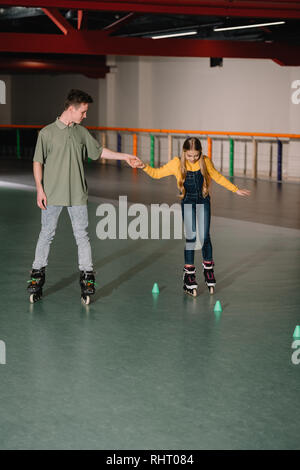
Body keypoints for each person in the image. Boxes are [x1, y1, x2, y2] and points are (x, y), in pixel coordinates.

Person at [27, 89, 140, 304]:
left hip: (77, 194)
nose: (85, 116)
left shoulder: (81, 132)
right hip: (52, 194)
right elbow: (37, 162)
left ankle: (87, 277)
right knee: (46, 234)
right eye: (84, 112)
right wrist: (40, 189)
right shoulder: (47, 133)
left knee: (82, 236)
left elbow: (99, 151)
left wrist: (125, 156)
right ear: (71, 109)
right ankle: (37, 275)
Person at [134, 137, 250, 296]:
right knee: (191, 237)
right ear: (184, 153)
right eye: (189, 156)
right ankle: (189, 274)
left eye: (196, 155)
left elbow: (217, 176)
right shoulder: (177, 163)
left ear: (200, 153)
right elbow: (157, 173)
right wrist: (144, 166)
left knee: (204, 236)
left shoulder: (205, 161)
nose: (193, 159)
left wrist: (235, 189)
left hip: (203, 201)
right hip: (187, 202)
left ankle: (208, 269)